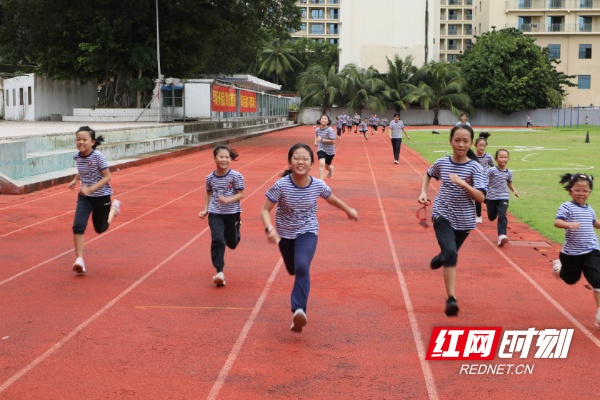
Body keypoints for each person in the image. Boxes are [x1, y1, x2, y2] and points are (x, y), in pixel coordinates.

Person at [261, 143, 358, 332]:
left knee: (302, 266)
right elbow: (265, 210)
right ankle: (299, 305)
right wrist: (269, 229)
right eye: (296, 158)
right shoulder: (281, 185)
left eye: (305, 158)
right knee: (292, 268)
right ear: (290, 162)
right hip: (285, 234)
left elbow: (333, 199)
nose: (301, 162)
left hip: (308, 231)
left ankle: (299, 310)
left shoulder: (317, 185)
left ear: (312, 163)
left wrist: (348, 210)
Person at [418, 125, 487, 317]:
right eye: (457, 140)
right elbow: (429, 173)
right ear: (450, 141)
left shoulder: (476, 168)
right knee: (451, 254)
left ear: (471, 143)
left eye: (465, 141)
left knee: (449, 254)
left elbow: (480, 198)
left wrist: (463, 183)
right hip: (442, 214)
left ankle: (441, 258)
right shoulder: (442, 163)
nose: (461, 144)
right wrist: (423, 192)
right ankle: (451, 299)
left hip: (464, 221)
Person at [68, 126, 121, 274]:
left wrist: (91, 189)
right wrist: (74, 180)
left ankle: (114, 209)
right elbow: (82, 169)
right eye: (78, 139)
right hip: (85, 197)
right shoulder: (77, 156)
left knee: (100, 228)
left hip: (102, 196)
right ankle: (79, 259)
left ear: (92, 142)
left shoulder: (98, 156)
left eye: (84, 139)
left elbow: (108, 177)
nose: (80, 142)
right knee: (78, 226)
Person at [551, 173, 600, 329]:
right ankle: (559, 267)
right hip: (572, 254)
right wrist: (568, 224)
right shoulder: (567, 207)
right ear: (570, 190)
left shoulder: (590, 209)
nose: (581, 193)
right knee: (570, 280)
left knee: (598, 280)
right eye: (577, 190)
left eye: (585, 191)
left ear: (589, 192)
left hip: (592, 250)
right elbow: (557, 222)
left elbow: (594, 223)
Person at [199, 145, 244, 287]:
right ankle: (219, 271)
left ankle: (237, 229)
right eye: (221, 157)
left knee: (232, 243)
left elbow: (241, 194)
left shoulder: (236, 176)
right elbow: (209, 193)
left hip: (232, 213)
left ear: (230, 159)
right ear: (214, 159)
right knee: (218, 239)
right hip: (216, 212)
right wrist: (206, 209)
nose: (224, 159)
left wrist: (228, 200)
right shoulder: (210, 178)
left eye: (226, 157)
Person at [486, 149, 519, 247]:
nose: (503, 159)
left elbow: (509, 184)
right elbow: (485, 181)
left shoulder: (509, 172)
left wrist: (514, 190)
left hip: (503, 196)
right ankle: (495, 213)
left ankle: (502, 235)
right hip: (491, 197)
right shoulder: (491, 171)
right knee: (491, 217)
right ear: (496, 159)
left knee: (502, 215)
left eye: (505, 157)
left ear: (508, 159)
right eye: (501, 157)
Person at [474, 132, 494, 224]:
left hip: (486, 181)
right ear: (475, 146)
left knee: (486, 198)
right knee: (477, 199)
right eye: (480, 146)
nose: (481, 148)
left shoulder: (488, 157)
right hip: (476, 180)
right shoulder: (472, 157)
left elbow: (493, 167)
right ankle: (478, 216)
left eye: (483, 146)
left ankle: (491, 206)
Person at [314, 114, 336, 179]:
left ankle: (330, 168)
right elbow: (316, 135)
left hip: (330, 151)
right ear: (320, 121)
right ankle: (321, 182)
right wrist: (315, 141)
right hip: (321, 148)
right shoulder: (317, 130)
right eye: (322, 118)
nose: (323, 120)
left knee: (327, 166)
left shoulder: (330, 130)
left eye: (325, 119)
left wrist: (322, 139)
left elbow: (333, 141)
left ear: (328, 122)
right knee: (321, 164)